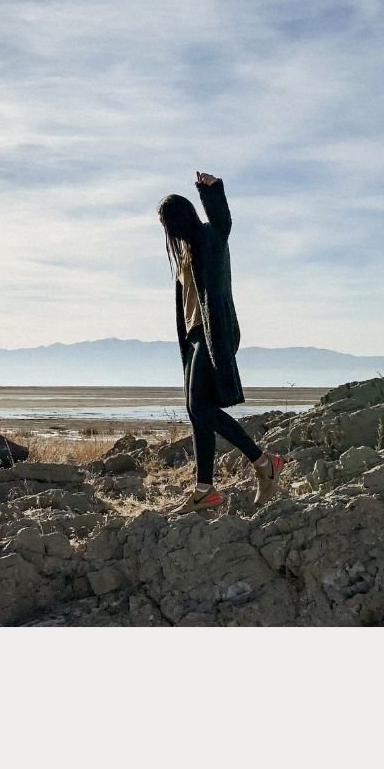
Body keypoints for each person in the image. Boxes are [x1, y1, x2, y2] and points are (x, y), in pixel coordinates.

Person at [157, 171, 283, 513]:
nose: (166, 230)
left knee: (201, 407)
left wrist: (211, 191)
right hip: (194, 337)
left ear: (178, 219)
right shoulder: (185, 254)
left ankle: (263, 461)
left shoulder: (210, 238)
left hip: (214, 332)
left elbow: (223, 221)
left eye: (166, 221)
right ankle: (204, 489)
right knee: (195, 412)